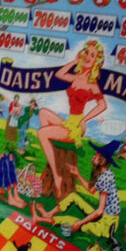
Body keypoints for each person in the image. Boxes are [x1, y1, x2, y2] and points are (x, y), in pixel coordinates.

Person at [36, 40, 108, 198]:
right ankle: (52, 152)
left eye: (93, 55)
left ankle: (57, 176)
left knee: (42, 133)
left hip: (77, 127)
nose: (88, 57)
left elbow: (102, 105)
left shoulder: (92, 84)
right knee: (43, 112)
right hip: (69, 122)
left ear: (97, 60)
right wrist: (75, 61)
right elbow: (59, 74)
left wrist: (85, 119)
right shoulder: (77, 77)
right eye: (87, 53)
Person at [32, 138, 122, 242]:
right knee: (73, 196)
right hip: (103, 216)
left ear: (102, 160)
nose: (92, 159)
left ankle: (40, 219)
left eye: (95, 157)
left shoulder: (106, 177)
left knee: (79, 224)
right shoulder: (104, 173)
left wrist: (81, 222)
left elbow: (99, 211)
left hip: (108, 224)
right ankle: (49, 214)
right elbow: (92, 190)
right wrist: (77, 174)